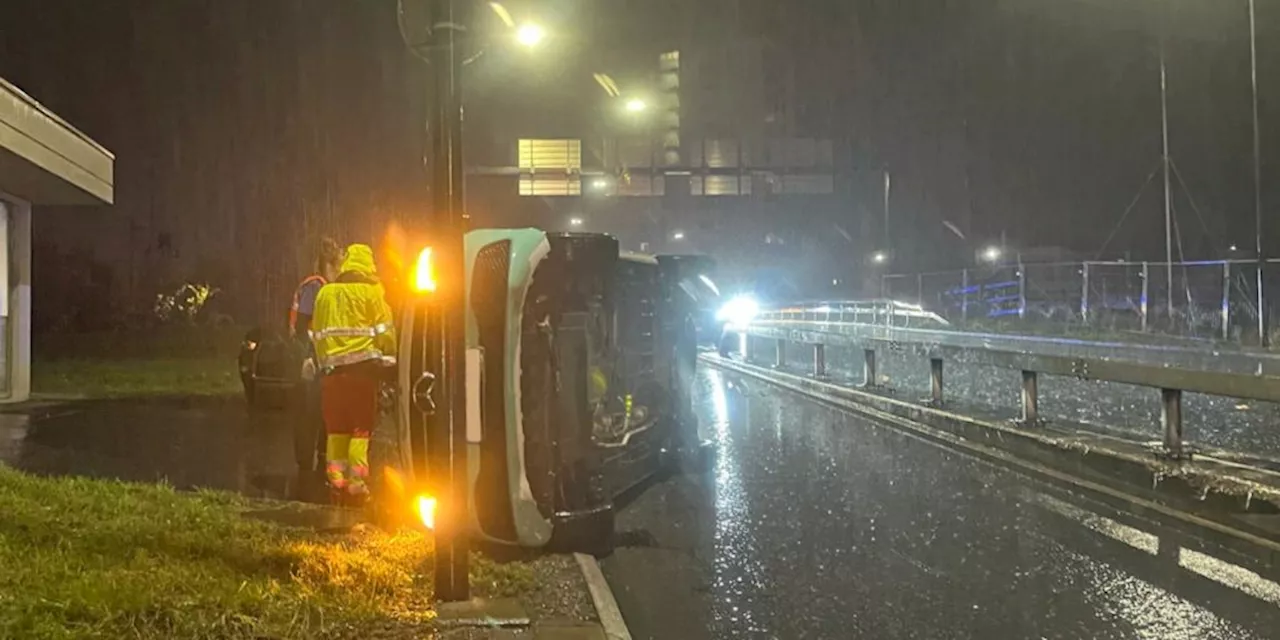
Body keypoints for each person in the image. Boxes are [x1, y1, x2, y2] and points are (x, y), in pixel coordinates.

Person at [310, 243, 397, 500]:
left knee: (336, 429)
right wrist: (390, 362)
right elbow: (386, 334)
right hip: (362, 375)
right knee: (360, 429)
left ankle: (336, 480)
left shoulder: (325, 294)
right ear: (369, 264)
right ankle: (357, 483)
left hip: (331, 375)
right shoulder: (372, 293)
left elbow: (316, 335)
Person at [289, 237, 343, 473]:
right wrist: (306, 358)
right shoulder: (316, 287)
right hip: (307, 361)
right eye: (338, 268)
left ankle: (319, 460)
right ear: (330, 266)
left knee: (320, 413)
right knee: (308, 414)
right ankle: (305, 466)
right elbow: (303, 326)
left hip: (317, 360)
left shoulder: (322, 288)